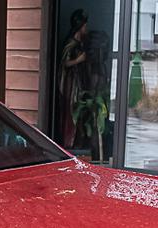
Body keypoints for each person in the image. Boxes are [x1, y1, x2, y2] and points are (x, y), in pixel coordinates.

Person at [58, 9, 91, 149]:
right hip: (71, 84)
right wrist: (78, 60)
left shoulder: (81, 43)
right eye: (85, 26)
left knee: (79, 112)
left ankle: (77, 142)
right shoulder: (70, 44)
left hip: (79, 83)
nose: (86, 28)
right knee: (71, 111)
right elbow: (64, 62)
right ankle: (69, 142)